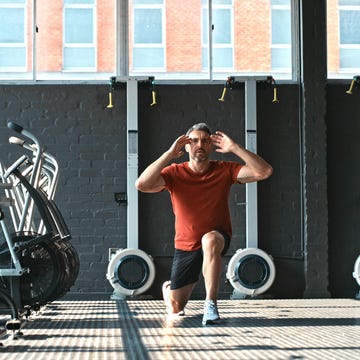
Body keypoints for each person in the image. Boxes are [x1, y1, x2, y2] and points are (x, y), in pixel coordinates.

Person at [135, 123, 272, 325]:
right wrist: (169, 154)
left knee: (210, 240)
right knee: (175, 307)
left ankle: (211, 305)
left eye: (205, 141)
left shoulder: (224, 170)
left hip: (217, 236)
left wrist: (234, 148)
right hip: (186, 243)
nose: (200, 144)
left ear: (211, 146)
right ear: (187, 146)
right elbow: (142, 184)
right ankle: (169, 290)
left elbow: (264, 171)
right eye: (195, 141)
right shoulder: (174, 173)